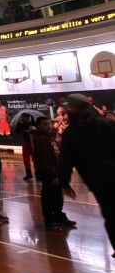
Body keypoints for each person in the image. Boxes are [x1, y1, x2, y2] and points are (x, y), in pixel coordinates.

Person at [60, 93, 115, 256]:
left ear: (75, 108)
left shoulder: (71, 133)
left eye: (70, 107)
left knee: (111, 214)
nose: (68, 110)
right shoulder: (106, 124)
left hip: (96, 180)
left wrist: (64, 181)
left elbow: (65, 159)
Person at [32, 117, 75, 230]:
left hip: (56, 172)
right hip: (49, 174)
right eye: (45, 124)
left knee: (57, 196)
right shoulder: (40, 139)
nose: (49, 126)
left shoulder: (49, 137)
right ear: (39, 126)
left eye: (49, 124)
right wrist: (53, 175)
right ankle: (49, 221)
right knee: (49, 197)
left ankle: (59, 217)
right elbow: (46, 160)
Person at [17, 113, 36, 181]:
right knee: (26, 159)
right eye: (21, 118)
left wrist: (32, 130)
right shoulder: (22, 124)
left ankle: (38, 174)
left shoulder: (33, 123)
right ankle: (29, 174)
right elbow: (17, 130)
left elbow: (37, 131)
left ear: (27, 118)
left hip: (33, 143)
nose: (21, 119)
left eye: (22, 118)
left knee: (35, 159)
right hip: (26, 143)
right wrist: (19, 123)